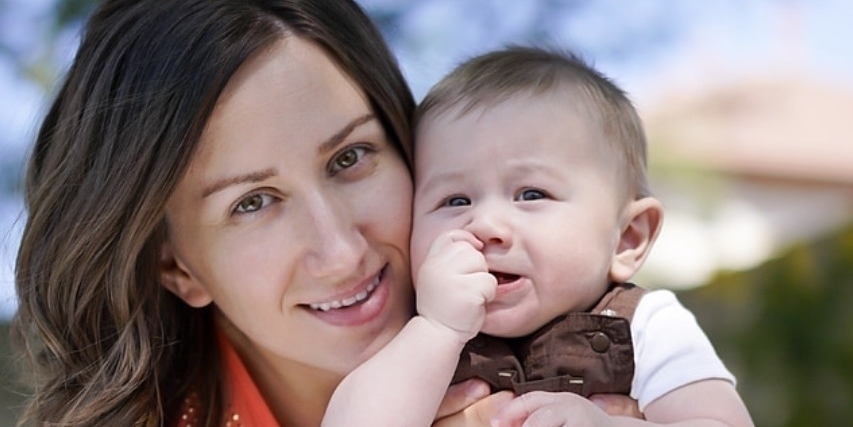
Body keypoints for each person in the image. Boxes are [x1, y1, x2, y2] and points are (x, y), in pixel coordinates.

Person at [12, 0, 640, 427]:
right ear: (177, 268)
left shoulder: (596, 350)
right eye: (252, 203)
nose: (341, 251)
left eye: (351, 157)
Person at [323, 47, 754, 427]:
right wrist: (436, 329)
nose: (486, 225)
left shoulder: (648, 326)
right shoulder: (417, 328)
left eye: (531, 194)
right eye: (455, 200)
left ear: (627, 238)